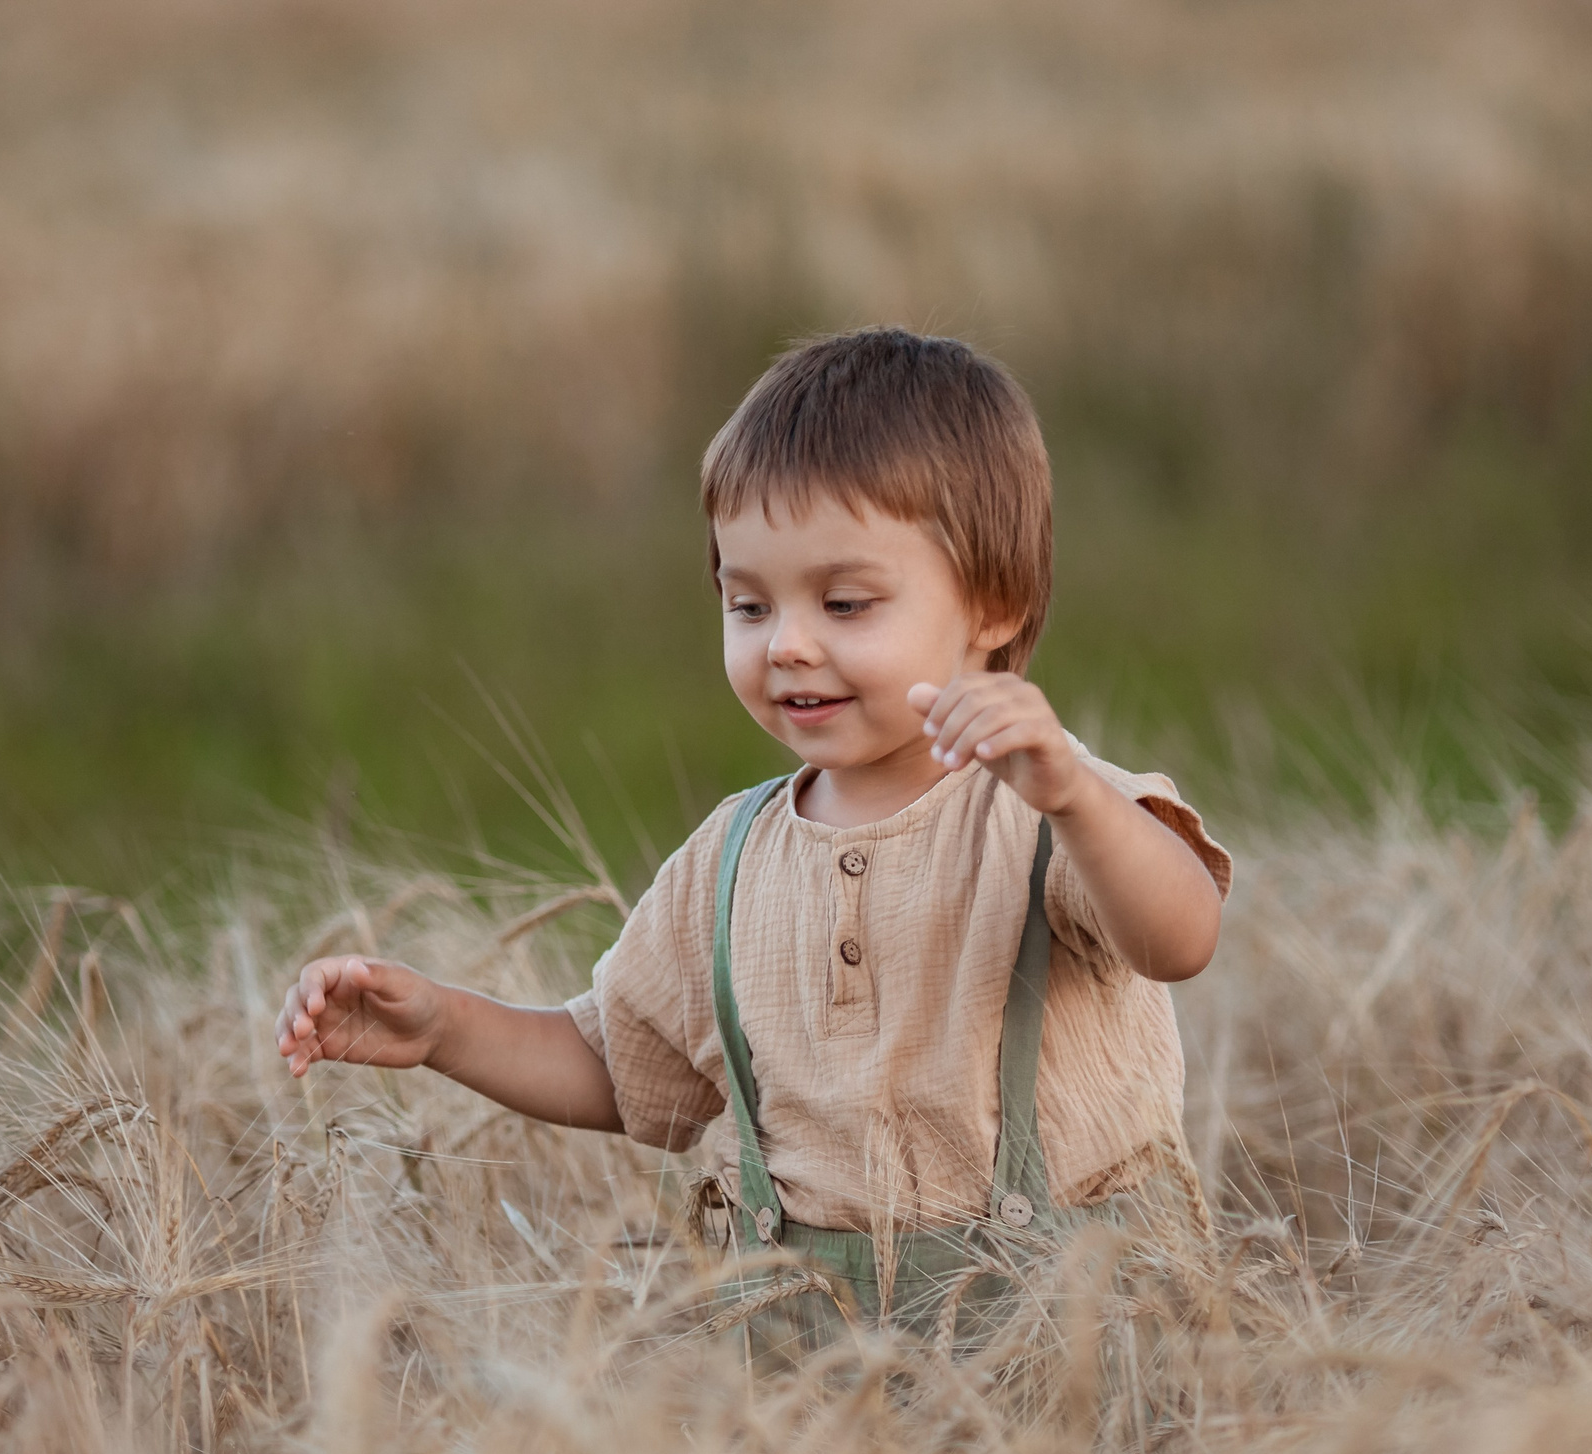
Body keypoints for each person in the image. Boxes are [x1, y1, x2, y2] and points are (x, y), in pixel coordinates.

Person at [273, 327, 1232, 1357]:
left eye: (846, 603)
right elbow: (623, 1067)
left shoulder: (1045, 807)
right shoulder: (728, 863)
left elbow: (1176, 937)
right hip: (816, 1376)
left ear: (991, 607)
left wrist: (1078, 798)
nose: (786, 643)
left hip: (1080, 1348)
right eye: (747, 603)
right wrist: (444, 1030)